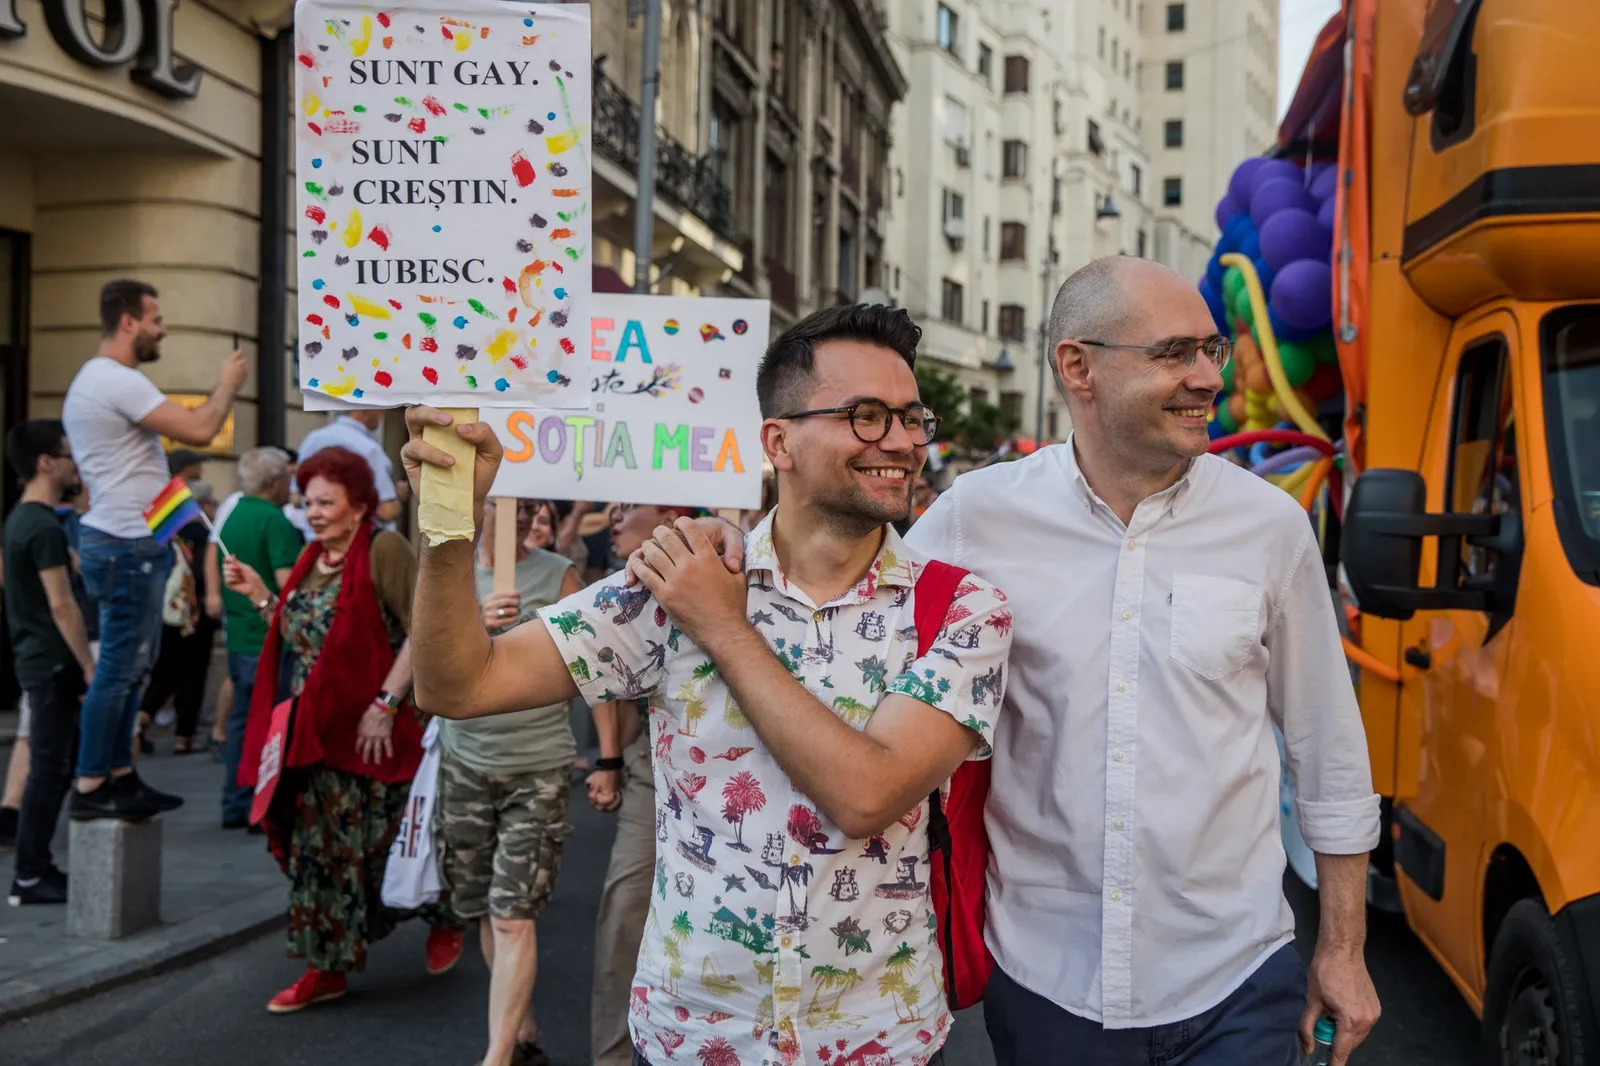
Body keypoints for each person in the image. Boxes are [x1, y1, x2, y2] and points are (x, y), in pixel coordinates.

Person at [405, 304, 1014, 1066]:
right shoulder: (677, 578)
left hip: (878, 1038)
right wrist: (447, 525)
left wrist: (723, 628)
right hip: (694, 1036)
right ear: (777, 441)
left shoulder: (962, 608)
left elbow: (868, 795)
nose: (900, 441)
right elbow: (461, 685)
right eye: (865, 416)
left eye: (910, 417)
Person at [905, 258, 1381, 1066]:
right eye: (1173, 354)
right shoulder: (972, 521)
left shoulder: (1269, 527)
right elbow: (845, 617)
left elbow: (1327, 750)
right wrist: (734, 554)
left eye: (1212, 350)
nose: (1207, 379)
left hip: (1236, 979)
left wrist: (1343, 948)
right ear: (1077, 367)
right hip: (1048, 980)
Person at [224, 446, 464, 1013]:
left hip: (378, 730)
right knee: (320, 854)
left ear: (358, 505)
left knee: (391, 841)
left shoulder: (385, 548)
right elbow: (300, 635)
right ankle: (324, 968)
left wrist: (385, 702)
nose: (313, 512)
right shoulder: (309, 560)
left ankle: (442, 914)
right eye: (307, 502)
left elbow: (421, 627)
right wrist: (259, 594)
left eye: (325, 502)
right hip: (316, 733)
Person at [61, 278, 248, 819]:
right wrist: (228, 382)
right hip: (124, 545)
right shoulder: (114, 379)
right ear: (128, 323)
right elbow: (203, 427)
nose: (162, 330)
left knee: (132, 669)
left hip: (126, 542)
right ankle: (93, 784)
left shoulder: (101, 381)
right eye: (156, 320)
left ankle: (118, 774)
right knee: (120, 670)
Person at [434, 498, 582, 1066]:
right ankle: (520, 1031)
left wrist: (610, 758)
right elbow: (428, 653)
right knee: (483, 908)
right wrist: (477, 627)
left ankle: (496, 1057)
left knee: (513, 913)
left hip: (537, 766)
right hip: (466, 761)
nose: (521, 514)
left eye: (529, 505)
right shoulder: (451, 571)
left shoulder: (557, 573)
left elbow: (591, 661)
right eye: (504, 502)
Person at [588, 502, 695, 1066]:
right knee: (625, 915)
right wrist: (610, 759)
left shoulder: (729, 567)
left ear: (671, 512)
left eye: (627, 506)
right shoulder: (616, 588)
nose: (613, 516)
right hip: (650, 773)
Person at [4, 420, 95, 904]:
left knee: (54, 767)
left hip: (38, 659)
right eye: (66, 454)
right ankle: (30, 873)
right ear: (45, 463)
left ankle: (36, 868)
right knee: (48, 768)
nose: (73, 464)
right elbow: (62, 605)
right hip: (51, 663)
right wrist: (87, 663)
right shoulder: (40, 524)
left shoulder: (23, 519)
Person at [207, 446, 302, 829]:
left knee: (241, 722)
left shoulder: (233, 515)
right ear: (275, 481)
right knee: (272, 724)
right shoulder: (274, 519)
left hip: (239, 636)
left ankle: (235, 801)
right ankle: (262, 806)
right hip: (269, 637)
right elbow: (287, 583)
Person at [138, 475, 217, 755]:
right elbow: (205, 575)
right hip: (196, 615)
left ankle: (140, 720)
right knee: (193, 674)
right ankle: (185, 736)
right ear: (203, 505)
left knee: (164, 671)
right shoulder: (207, 537)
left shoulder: (167, 535)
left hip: (167, 612)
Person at [298, 409, 403, 526]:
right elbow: (388, 511)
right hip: (359, 539)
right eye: (380, 407)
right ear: (365, 408)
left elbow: (296, 497)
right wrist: (396, 497)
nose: (383, 412)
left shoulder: (312, 439)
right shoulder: (369, 449)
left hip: (313, 536)